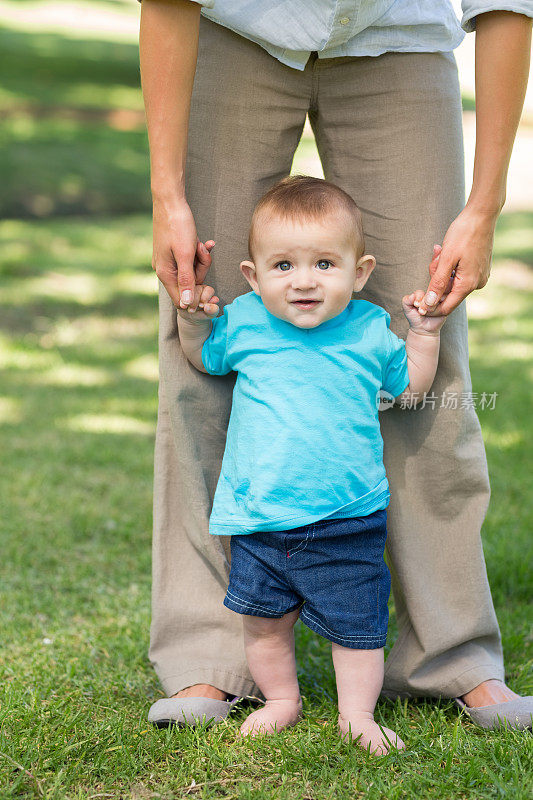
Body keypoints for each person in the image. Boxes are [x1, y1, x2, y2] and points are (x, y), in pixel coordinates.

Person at [138, 0, 533, 731]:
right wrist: (168, 193)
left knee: (429, 330)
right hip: (233, 33)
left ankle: (453, 654)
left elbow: (507, 3)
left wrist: (482, 206)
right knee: (203, 319)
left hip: (400, 44)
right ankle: (209, 659)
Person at [174, 175, 450, 753]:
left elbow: (410, 390)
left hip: (346, 514)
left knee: (357, 629)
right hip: (260, 515)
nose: (304, 281)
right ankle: (281, 698)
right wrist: (194, 318)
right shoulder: (246, 320)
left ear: (361, 271)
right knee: (264, 624)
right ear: (252, 275)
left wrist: (425, 333)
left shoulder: (370, 328)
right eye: (283, 266)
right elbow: (203, 357)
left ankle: (358, 714)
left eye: (325, 263)